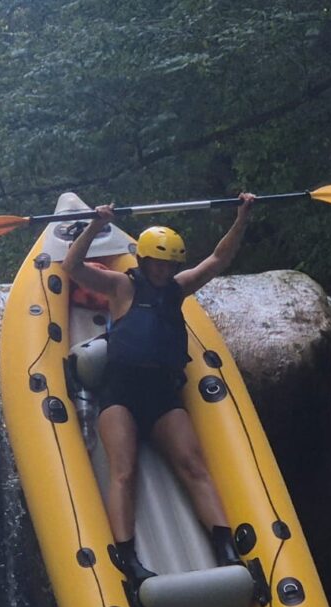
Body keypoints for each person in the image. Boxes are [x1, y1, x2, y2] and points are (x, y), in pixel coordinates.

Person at [61, 193, 255, 584]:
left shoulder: (178, 289)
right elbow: (71, 266)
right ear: (144, 261)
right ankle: (128, 558)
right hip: (121, 391)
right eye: (158, 264)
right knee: (124, 471)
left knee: (193, 465)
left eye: (169, 265)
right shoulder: (120, 286)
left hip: (163, 392)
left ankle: (226, 548)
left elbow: (219, 260)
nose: (164, 272)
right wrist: (97, 225)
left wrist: (242, 218)